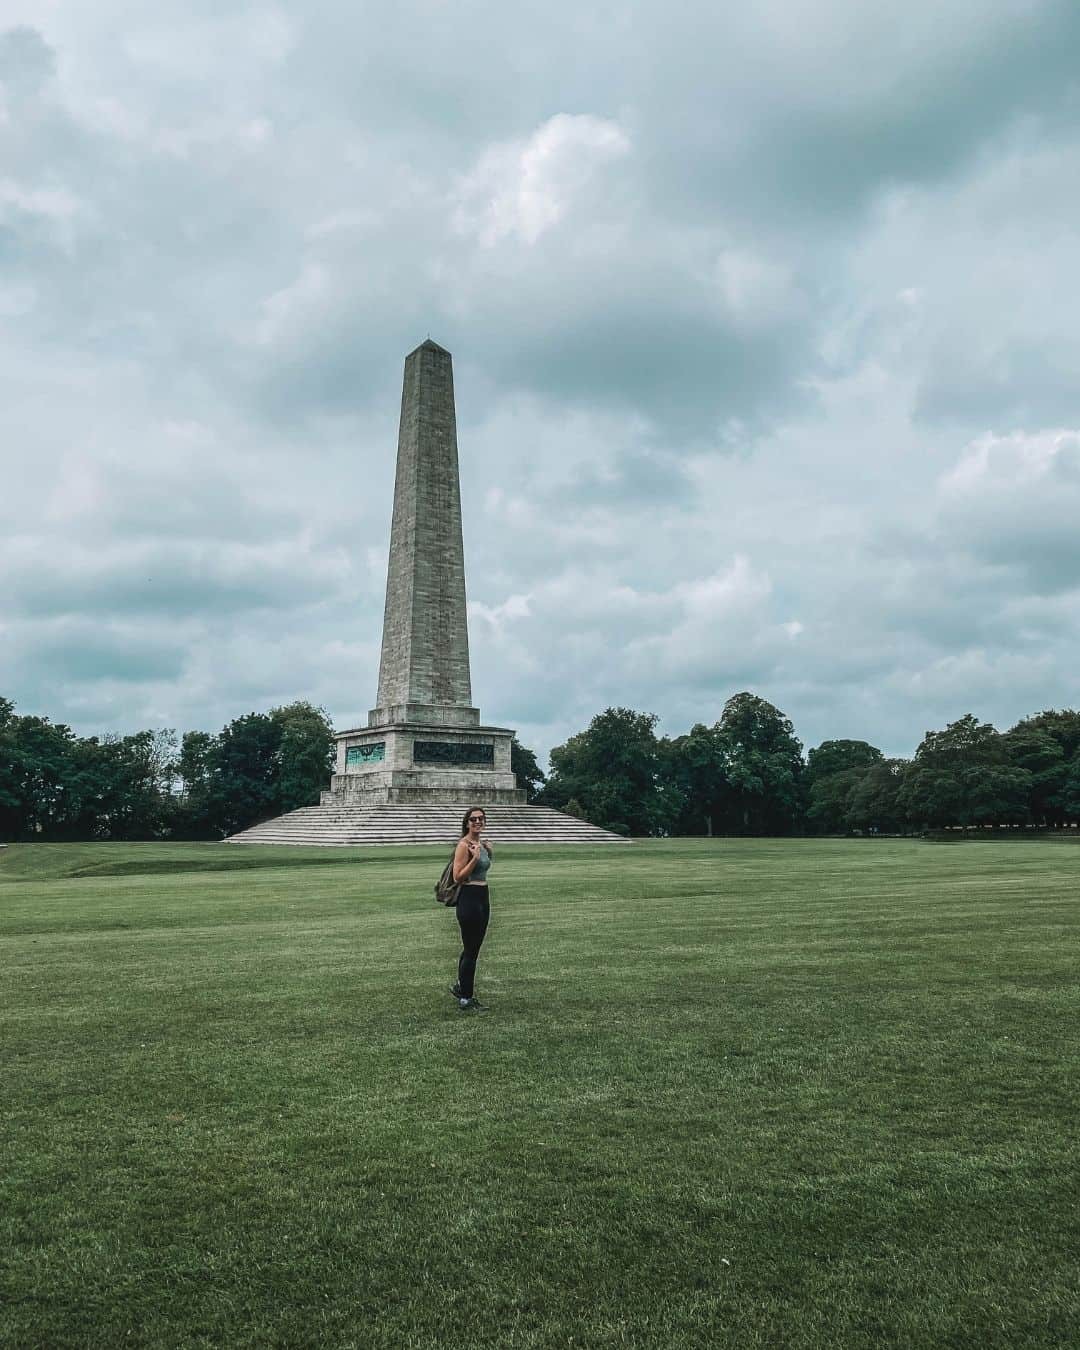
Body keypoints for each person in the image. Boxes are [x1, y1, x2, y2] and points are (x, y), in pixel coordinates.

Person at [449, 806, 493, 1010]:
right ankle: (466, 998)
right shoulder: (463, 845)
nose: (478, 822)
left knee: (472, 948)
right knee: (471, 950)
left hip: (483, 897)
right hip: (469, 898)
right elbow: (458, 876)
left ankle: (461, 987)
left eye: (481, 819)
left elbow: (481, 871)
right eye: (473, 819)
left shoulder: (480, 844)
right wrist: (474, 858)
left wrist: (487, 853)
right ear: (467, 823)